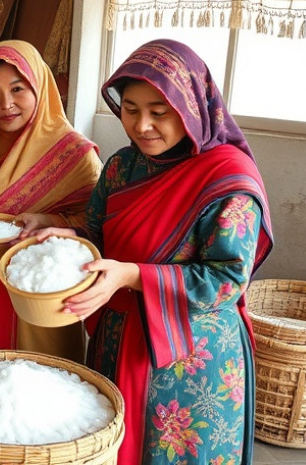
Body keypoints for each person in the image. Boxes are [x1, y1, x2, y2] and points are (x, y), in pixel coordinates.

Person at [39, 39, 273, 463]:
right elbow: (97, 234)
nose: (142, 125)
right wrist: (59, 230)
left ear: (191, 107)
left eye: (159, 112)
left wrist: (132, 276)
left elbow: (227, 280)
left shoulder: (227, 179)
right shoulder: (121, 167)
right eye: (131, 109)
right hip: (118, 336)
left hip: (189, 356)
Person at [0, 40, 102, 361]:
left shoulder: (73, 153)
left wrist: (49, 222)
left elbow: (98, 226)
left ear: (39, 88)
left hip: (41, 286)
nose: (6, 104)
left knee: (36, 380)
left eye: (18, 89)